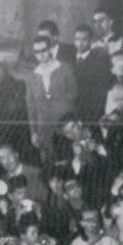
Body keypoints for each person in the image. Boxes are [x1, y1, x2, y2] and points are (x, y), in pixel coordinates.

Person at [25, 35, 77, 164]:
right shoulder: (32, 76)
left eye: (43, 50)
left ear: (50, 50)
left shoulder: (65, 68)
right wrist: (34, 132)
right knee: (49, 166)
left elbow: (74, 95)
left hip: (65, 126)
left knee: (70, 161)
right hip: (44, 130)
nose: (41, 55)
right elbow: (31, 107)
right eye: (37, 52)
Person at [72, 24, 114, 122]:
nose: (80, 43)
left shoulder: (99, 62)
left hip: (91, 113)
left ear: (91, 41)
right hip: (73, 112)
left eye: (84, 39)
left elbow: (101, 93)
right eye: (77, 39)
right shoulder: (69, 60)